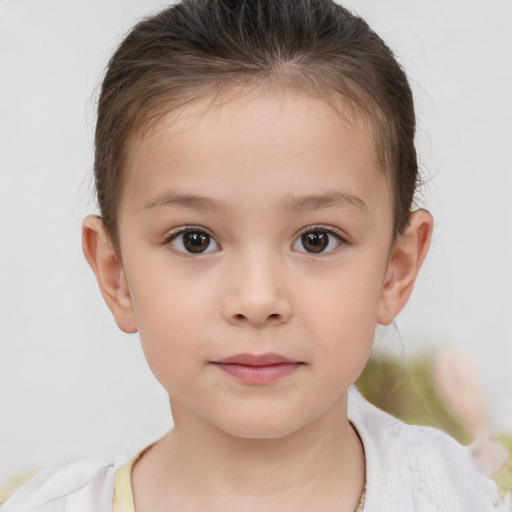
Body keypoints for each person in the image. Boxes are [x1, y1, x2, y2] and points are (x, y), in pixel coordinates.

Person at [1, 0, 505, 510]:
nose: (258, 300)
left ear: (396, 271)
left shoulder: (459, 498)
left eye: (317, 239)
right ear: (116, 275)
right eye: (194, 239)